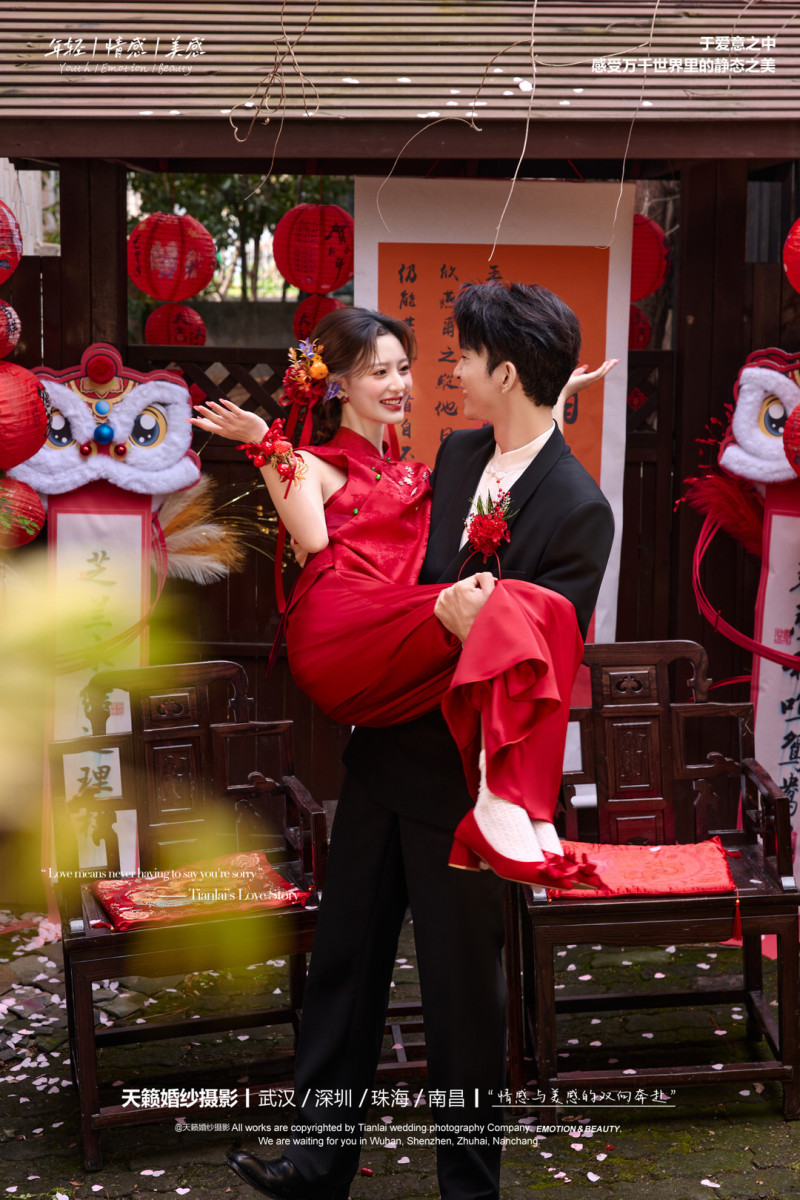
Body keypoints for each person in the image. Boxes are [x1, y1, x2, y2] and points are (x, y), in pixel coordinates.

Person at [192, 282, 616, 1199]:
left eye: (466, 356)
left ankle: (469, 1187)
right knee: (344, 964)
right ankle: (316, 1165)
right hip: (384, 753)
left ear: (507, 374)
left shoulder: (580, 507)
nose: (451, 371)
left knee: (462, 1000)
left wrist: (485, 614)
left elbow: (550, 643)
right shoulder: (458, 455)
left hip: (464, 789)